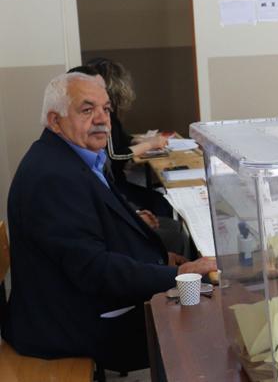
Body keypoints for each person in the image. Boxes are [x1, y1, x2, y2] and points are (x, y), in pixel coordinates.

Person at [3, 72, 216, 372]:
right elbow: (93, 270)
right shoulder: (54, 178)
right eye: (87, 110)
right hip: (71, 323)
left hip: (77, 302)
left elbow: (97, 237)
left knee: (200, 301)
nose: (102, 119)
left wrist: (161, 261)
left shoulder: (71, 158)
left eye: (106, 109)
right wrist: (179, 274)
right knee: (204, 323)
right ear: (55, 121)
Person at [70, 58, 173, 217]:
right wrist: (150, 145)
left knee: (160, 200)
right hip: (115, 186)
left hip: (117, 182)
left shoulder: (111, 115)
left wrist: (137, 140)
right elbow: (115, 154)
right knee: (161, 203)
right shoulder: (103, 118)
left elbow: (120, 138)